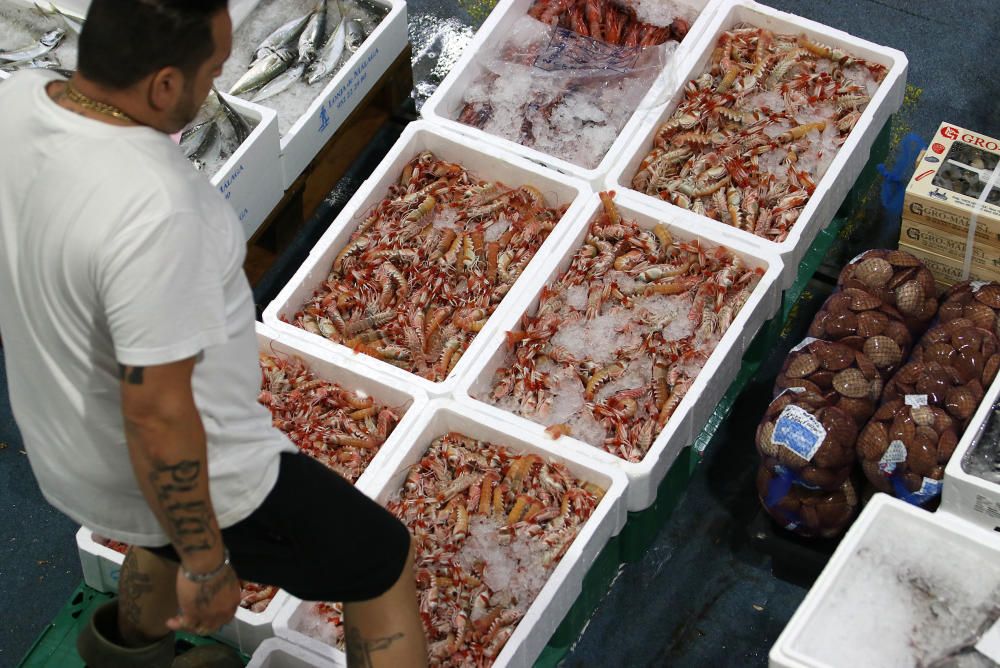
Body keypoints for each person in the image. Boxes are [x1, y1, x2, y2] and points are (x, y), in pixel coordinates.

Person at [0, 2, 428, 666]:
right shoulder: (157, 205)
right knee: (378, 560)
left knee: (155, 534)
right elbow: (158, 411)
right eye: (214, 69)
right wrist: (205, 556)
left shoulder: (19, 103)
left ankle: (124, 654)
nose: (216, 85)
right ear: (165, 85)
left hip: (64, 438)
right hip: (197, 467)